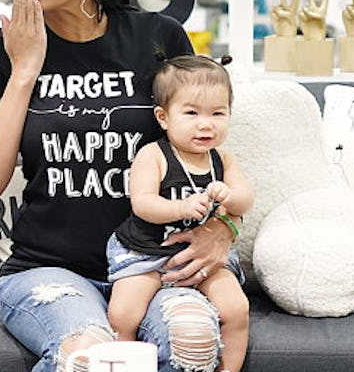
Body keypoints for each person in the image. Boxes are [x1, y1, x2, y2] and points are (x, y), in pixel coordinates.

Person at [0, 0, 242, 372]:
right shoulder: (3, 49)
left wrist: (223, 229)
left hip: (156, 263)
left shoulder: (159, 38)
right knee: (90, 356)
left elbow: (207, 151)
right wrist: (26, 68)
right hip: (49, 269)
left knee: (193, 342)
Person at [106, 54, 254, 372]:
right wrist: (181, 207)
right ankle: (124, 363)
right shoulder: (154, 155)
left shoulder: (222, 159)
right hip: (147, 250)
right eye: (191, 113)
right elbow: (142, 203)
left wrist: (230, 196)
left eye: (218, 113)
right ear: (163, 117)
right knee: (124, 313)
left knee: (236, 308)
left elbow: (245, 200)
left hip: (203, 258)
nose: (206, 123)